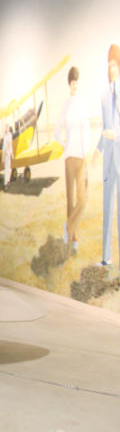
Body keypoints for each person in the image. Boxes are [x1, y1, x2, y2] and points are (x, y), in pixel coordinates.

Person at [55, 66, 90, 253]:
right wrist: (64, 143)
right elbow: (56, 131)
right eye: (72, 82)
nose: (74, 85)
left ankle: (68, 226)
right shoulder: (65, 105)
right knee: (70, 200)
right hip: (69, 157)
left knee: (82, 199)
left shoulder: (82, 104)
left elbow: (88, 129)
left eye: (77, 82)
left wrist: (87, 150)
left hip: (81, 157)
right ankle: (72, 240)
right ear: (69, 83)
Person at [97, 45, 120, 268]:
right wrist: (98, 149)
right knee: (107, 211)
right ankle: (106, 257)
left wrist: (116, 136)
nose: (111, 68)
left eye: (114, 64)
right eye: (109, 65)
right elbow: (104, 127)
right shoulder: (104, 96)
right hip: (108, 162)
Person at [2, 124, 13, 189]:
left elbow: (11, 145)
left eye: (7, 127)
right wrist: (3, 157)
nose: (7, 129)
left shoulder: (10, 135)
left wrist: (12, 154)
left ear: (9, 128)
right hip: (6, 154)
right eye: (6, 128)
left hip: (9, 153)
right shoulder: (5, 136)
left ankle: (8, 181)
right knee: (7, 169)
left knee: (9, 169)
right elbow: (4, 147)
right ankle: (5, 184)